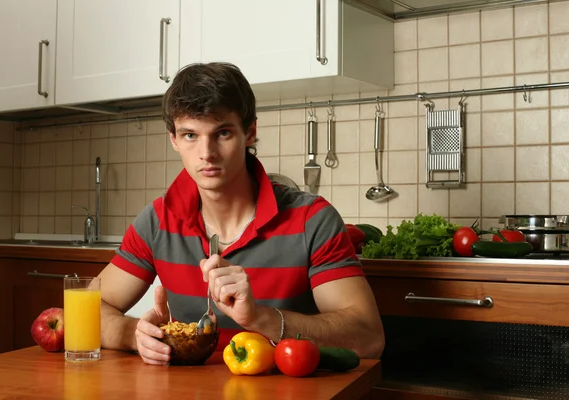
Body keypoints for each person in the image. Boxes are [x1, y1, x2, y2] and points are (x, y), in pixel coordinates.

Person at [98, 62, 385, 365]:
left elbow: (369, 337)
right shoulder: (157, 221)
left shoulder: (313, 220)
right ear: (173, 139)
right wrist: (134, 334)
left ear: (250, 133)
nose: (206, 152)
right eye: (190, 135)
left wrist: (261, 318)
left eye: (222, 133)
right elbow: (86, 308)